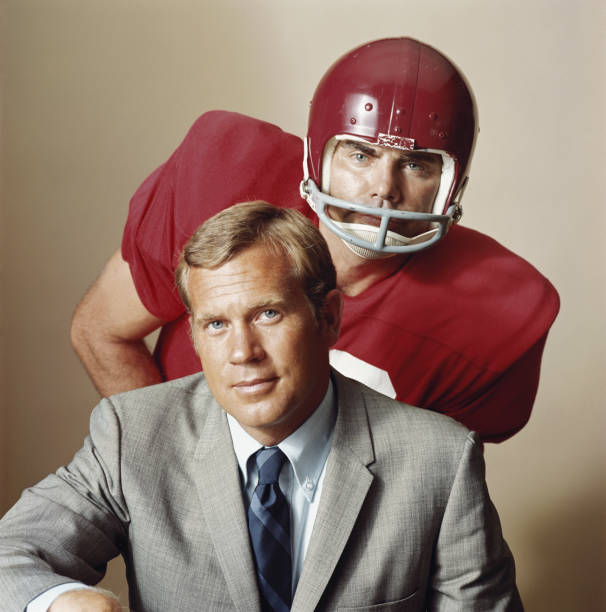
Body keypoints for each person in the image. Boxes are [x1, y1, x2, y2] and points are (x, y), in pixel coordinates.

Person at [1, 202, 522, 611]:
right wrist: (61, 602)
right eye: (216, 324)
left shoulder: (440, 460)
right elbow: (10, 556)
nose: (242, 353)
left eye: (268, 314)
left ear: (329, 319)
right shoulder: (132, 435)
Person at [70, 37, 560, 443]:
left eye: (416, 164)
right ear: (316, 156)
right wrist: (174, 480)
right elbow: (102, 332)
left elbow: (433, 475)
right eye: (361, 155)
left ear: (452, 183)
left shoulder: (497, 308)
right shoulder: (225, 174)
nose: (384, 190)